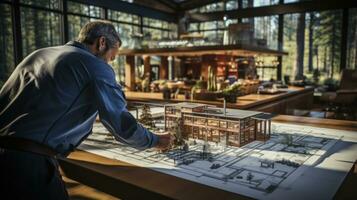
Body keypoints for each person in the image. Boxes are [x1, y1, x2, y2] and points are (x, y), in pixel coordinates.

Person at [0, 20, 172, 200]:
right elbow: (121, 124)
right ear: (102, 42)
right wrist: (155, 140)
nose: (110, 63)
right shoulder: (95, 66)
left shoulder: (38, 55)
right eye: (111, 58)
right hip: (29, 166)